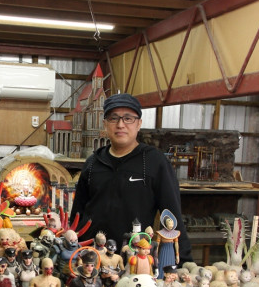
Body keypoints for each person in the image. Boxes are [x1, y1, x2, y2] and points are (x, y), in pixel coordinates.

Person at [70, 93, 192, 265]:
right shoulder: (93, 163)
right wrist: (72, 249)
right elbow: (77, 215)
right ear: (105, 124)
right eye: (114, 118)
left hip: (135, 259)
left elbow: (172, 216)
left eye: (128, 118)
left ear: (139, 123)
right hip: (91, 260)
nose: (120, 124)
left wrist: (183, 262)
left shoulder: (154, 162)